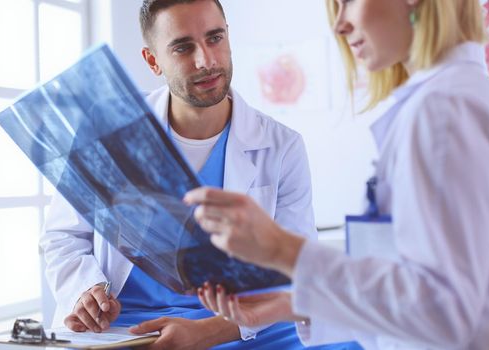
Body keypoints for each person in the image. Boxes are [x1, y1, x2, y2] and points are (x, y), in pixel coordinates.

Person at [42, 0, 359, 348]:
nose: (205, 61)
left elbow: (295, 270)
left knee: (351, 341)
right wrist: (87, 289)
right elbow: (62, 236)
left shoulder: (282, 146)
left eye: (214, 38)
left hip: (237, 323)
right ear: (153, 61)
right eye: (182, 47)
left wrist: (207, 332)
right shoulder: (108, 129)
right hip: (130, 325)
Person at [186, 0, 489, 349]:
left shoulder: (442, 110)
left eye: (348, 2)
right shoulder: (453, 97)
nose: (339, 25)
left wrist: (283, 249)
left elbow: (444, 315)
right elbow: (420, 293)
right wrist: (298, 305)